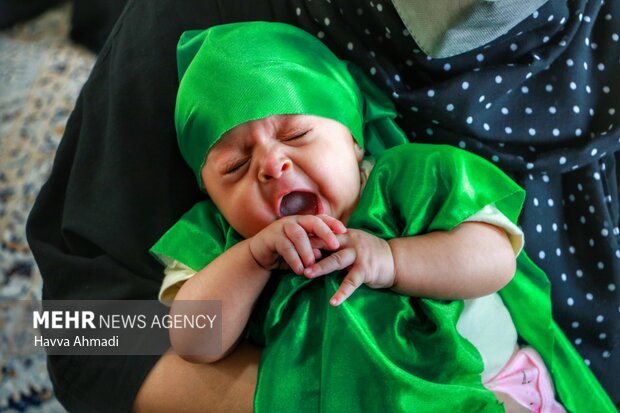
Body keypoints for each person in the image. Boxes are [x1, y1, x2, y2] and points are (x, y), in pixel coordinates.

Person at [25, 1, 618, 411]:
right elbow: (86, 333)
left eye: (300, 137)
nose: (272, 165)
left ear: (356, 137)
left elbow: (494, 253)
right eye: (234, 166)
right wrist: (339, 393)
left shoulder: (418, 176)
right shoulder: (226, 52)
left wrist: (394, 259)